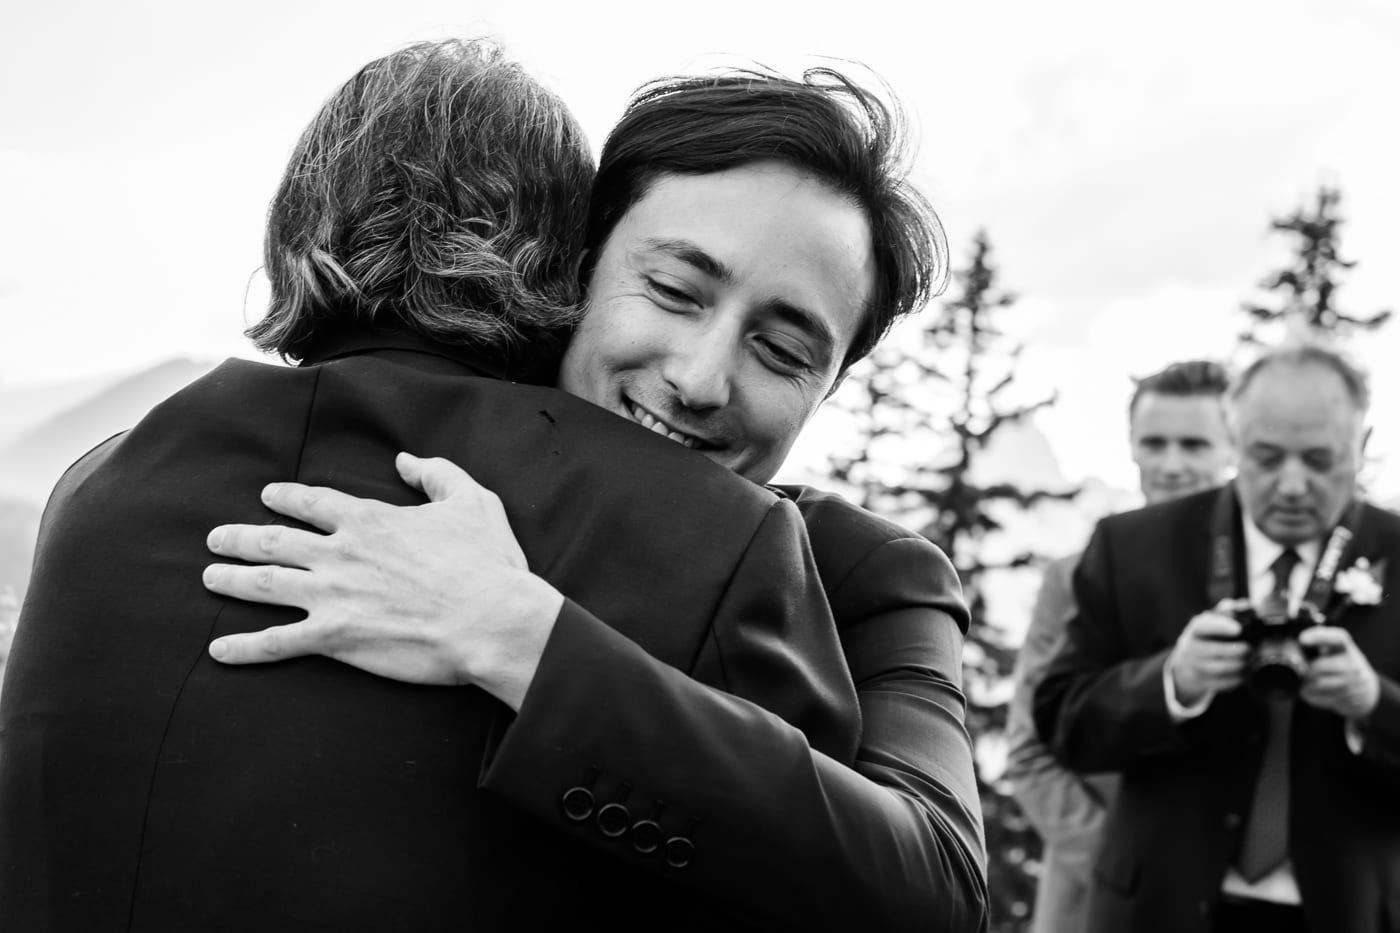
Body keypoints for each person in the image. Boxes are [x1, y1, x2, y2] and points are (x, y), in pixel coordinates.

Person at [0, 40, 988, 933]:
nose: (697, 377)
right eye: (674, 292)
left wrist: (523, 637)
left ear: (830, 384)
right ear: (575, 267)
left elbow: (936, 885)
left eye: (780, 347)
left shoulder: (865, 573)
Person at [1034, 343, 1400, 933]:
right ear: (1234, 437)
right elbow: (1060, 724)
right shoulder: (1133, 547)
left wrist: (1373, 704)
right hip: (1156, 909)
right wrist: (1172, 683)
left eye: (1318, 459)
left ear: (1362, 446)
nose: (1291, 485)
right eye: (1266, 456)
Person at [1004, 359, 1234, 933]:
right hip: (1094, 906)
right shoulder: (1074, 578)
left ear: (1231, 449)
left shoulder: (1275, 580)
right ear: (1131, 448)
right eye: (1154, 443)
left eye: (1194, 445)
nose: (1171, 465)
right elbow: (1031, 755)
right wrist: (1131, 865)